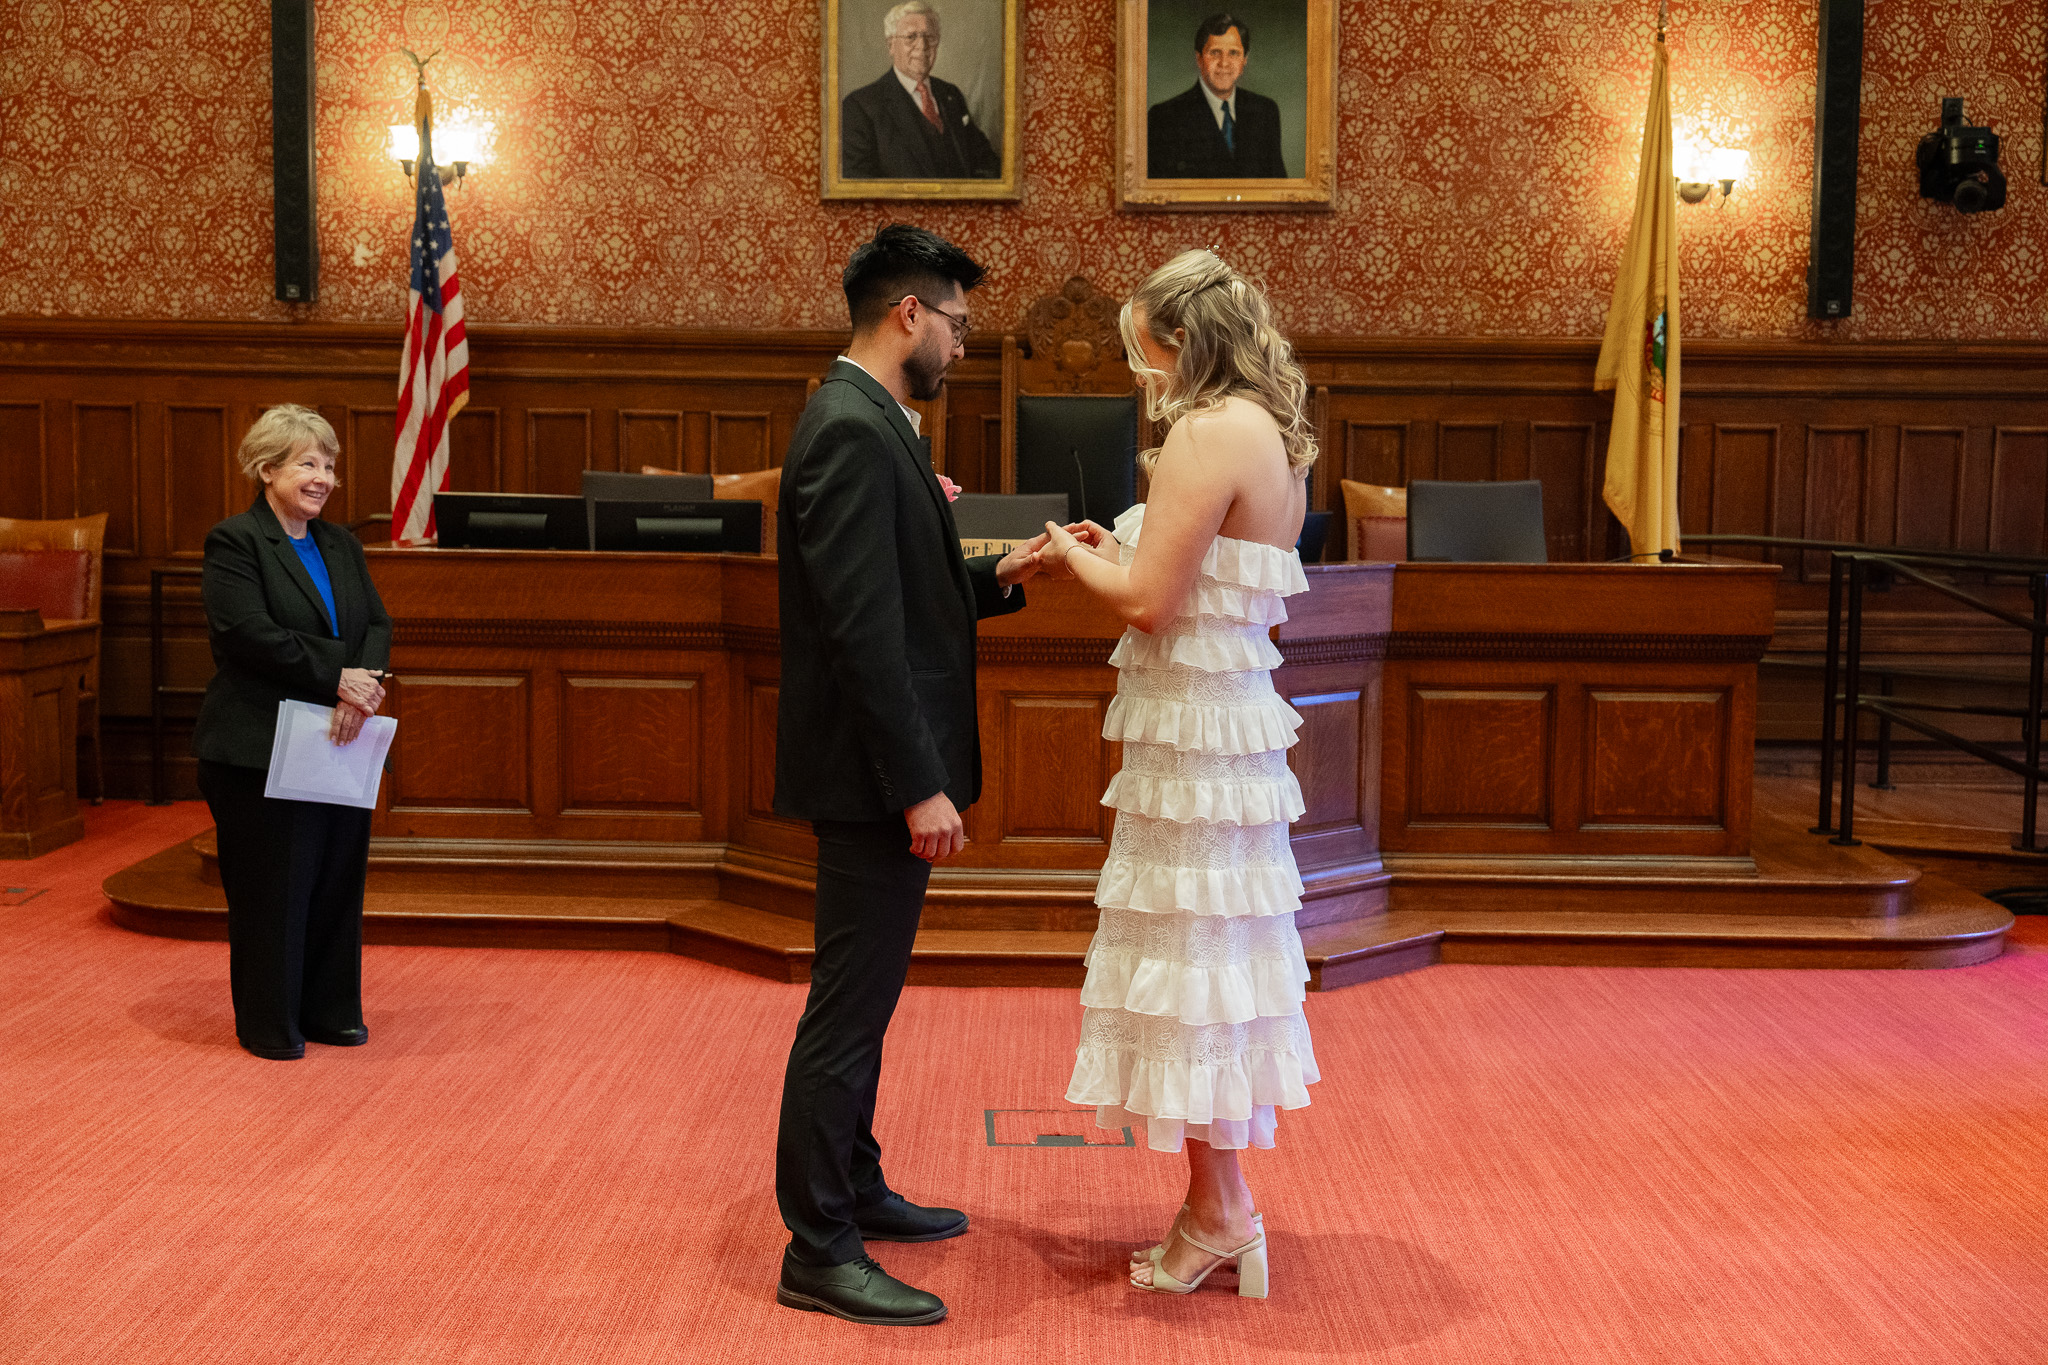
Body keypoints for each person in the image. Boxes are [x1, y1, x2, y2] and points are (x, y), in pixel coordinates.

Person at [771, 224, 1047, 1325]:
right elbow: (859, 632)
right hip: (868, 776)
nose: (964, 347)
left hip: (875, 767)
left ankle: (857, 1185)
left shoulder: (873, 417)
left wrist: (1002, 571)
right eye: (958, 325)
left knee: (868, 1000)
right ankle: (818, 1245)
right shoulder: (849, 427)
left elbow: (905, 591)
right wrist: (915, 784)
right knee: (847, 1010)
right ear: (908, 314)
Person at [1036, 250, 1317, 1296]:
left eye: (1142, 347)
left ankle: (1220, 1214)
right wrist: (1114, 544)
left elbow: (1151, 604)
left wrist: (1072, 558)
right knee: (1210, 968)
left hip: (1196, 743)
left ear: (1183, 338)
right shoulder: (1267, 429)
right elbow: (1206, 581)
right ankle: (1219, 1205)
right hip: (1224, 729)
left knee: (1192, 970)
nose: (1137, 368)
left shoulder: (1203, 431)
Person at [192, 404, 392, 1062]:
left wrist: (362, 686)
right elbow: (245, 633)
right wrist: (339, 676)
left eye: (329, 465)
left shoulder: (342, 544)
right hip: (258, 744)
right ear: (267, 469)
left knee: (336, 883)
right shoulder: (236, 541)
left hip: (340, 737)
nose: (323, 478)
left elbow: (377, 624)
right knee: (273, 891)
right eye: (308, 463)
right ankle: (271, 1024)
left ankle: (331, 1012)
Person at [842, 1, 1002, 180]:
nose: (922, 46)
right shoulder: (859, 107)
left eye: (930, 37)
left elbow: (986, 164)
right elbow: (858, 185)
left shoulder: (951, 95)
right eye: (911, 37)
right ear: (891, 46)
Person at [1146, 12, 1289, 179]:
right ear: (1199, 59)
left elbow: (1278, 186)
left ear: (1245, 59)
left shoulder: (1265, 111)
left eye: (1233, 53)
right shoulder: (1165, 118)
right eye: (1215, 52)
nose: (1224, 63)